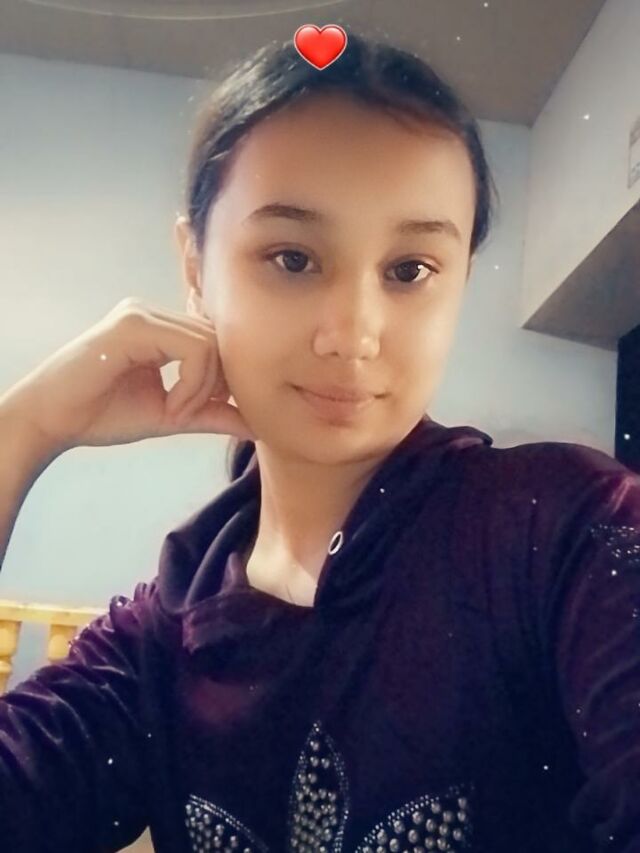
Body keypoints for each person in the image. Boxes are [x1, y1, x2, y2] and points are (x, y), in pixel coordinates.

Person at [0, 29, 639, 853]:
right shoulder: (161, 637)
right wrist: (24, 426)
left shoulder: (568, 535)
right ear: (194, 268)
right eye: (293, 258)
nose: (353, 335)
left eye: (410, 270)